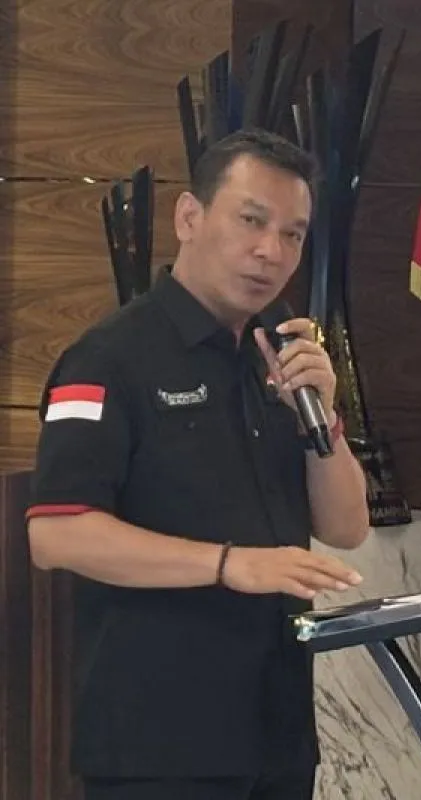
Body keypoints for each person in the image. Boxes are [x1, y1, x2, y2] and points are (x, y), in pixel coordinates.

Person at [25, 128, 372, 800]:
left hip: (276, 729)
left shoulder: (275, 355)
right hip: (160, 740)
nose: (271, 251)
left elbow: (346, 527)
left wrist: (323, 416)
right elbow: (56, 534)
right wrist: (230, 563)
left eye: (293, 234)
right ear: (189, 216)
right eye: (251, 220)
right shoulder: (108, 357)